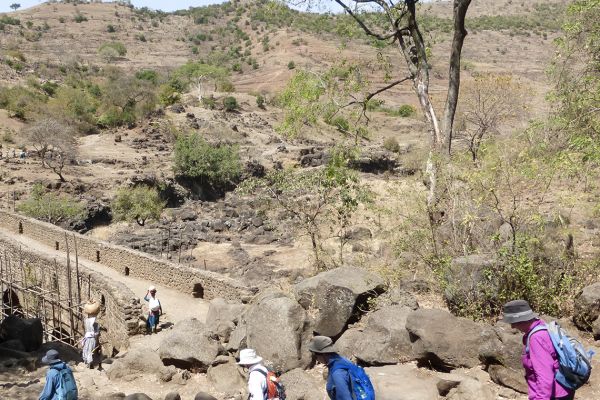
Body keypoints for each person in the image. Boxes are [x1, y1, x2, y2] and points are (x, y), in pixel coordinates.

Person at [502, 299, 575, 400]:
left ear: (522, 319)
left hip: (553, 395)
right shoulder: (543, 326)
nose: (512, 326)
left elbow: (545, 376)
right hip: (564, 390)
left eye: (514, 322)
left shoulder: (536, 338)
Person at [308, 336, 354, 400]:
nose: (316, 360)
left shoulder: (338, 373)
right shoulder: (344, 361)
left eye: (315, 355)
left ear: (323, 354)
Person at [81, 300, 101, 369]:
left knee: (87, 350)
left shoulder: (86, 319)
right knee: (91, 351)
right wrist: (97, 333)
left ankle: (87, 363)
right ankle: (90, 364)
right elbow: (96, 332)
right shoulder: (94, 322)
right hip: (91, 339)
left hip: (87, 338)